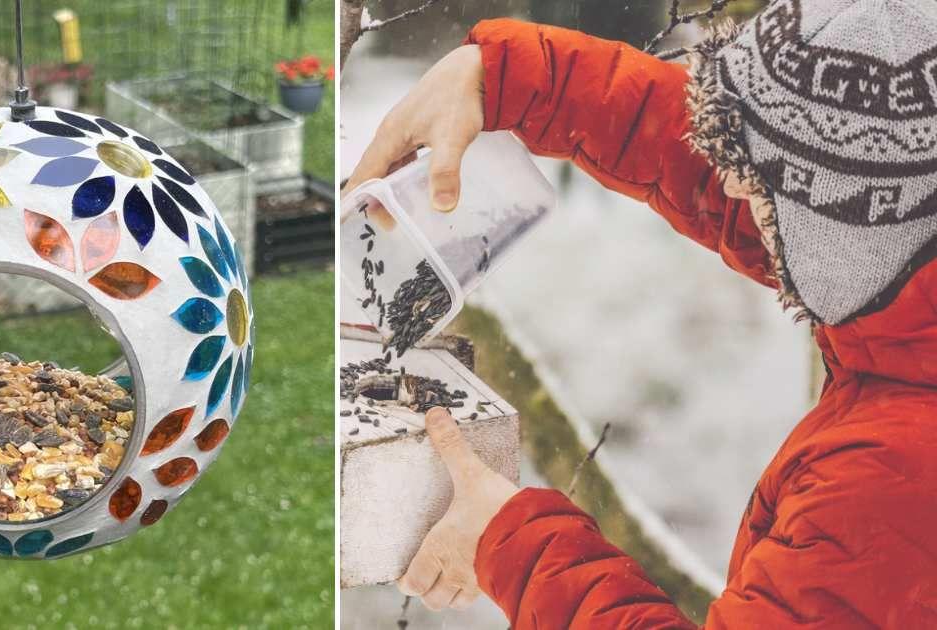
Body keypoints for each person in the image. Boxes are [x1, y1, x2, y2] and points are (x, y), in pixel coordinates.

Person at [345, 0, 937, 626]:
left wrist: (514, 548)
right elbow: (730, 172)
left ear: (851, 226)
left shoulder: (891, 487)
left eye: (762, 180)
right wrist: (511, 81)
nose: (732, 185)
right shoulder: (898, 278)